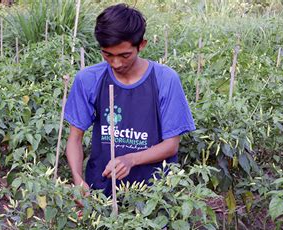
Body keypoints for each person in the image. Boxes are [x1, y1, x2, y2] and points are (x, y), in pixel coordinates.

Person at [64, 3, 195, 196]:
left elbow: (171, 145)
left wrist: (131, 159)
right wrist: (77, 179)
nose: (116, 63)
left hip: (154, 196)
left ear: (141, 45)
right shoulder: (88, 79)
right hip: (101, 191)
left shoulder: (165, 80)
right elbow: (75, 138)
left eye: (125, 55)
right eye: (107, 54)